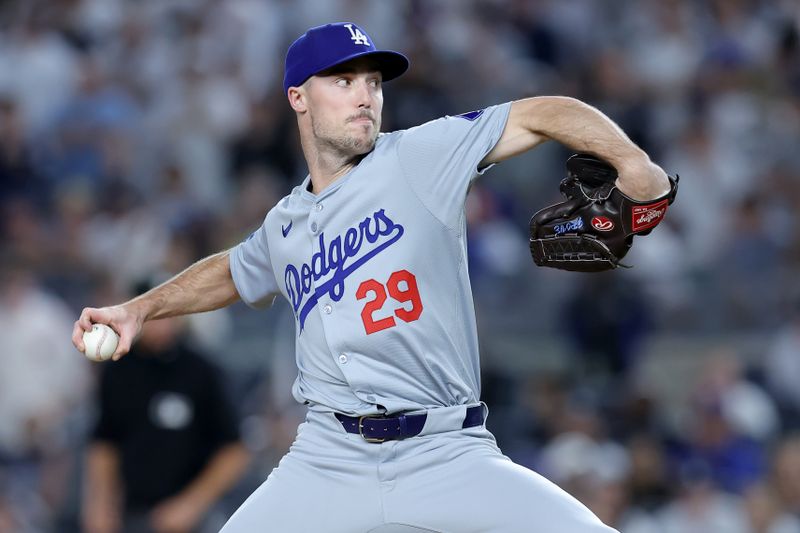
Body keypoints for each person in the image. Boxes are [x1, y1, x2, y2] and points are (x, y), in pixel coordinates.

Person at [72, 22, 671, 532]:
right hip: (328, 458)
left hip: (445, 451)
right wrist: (138, 310)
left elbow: (544, 112)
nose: (365, 95)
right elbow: (232, 270)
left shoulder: (418, 156)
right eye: (343, 81)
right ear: (298, 98)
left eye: (373, 82)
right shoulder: (286, 223)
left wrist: (633, 162)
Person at [82, 282, 249, 533]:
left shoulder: (201, 370)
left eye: (164, 314)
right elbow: (105, 442)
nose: (159, 323)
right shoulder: (118, 370)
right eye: (150, 315)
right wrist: (100, 503)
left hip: (194, 519)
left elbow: (234, 451)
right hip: (133, 514)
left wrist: (191, 504)